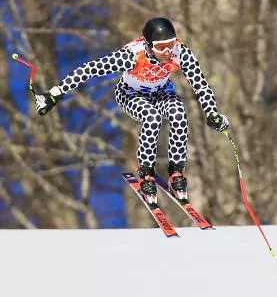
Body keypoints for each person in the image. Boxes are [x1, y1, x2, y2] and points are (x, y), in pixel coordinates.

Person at [33, 17, 229, 205]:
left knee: (178, 113)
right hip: (130, 94)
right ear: (149, 45)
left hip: (161, 92)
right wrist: (55, 93)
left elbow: (200, 84)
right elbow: (90, 69)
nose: (168, 51)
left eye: (171, 43)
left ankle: (176, 171)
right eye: (161, 47)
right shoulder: (132, 56)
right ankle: (146, 173)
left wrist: (212, 113)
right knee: (152, 118)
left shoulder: (181, 52)